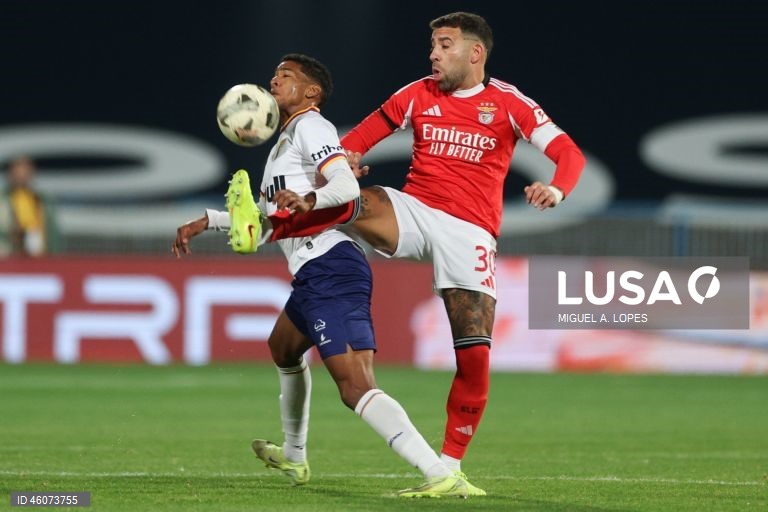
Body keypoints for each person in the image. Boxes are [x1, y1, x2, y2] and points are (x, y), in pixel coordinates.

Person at [264, 12, 587, 494]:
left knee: (473, 353)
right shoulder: (416, 94)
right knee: (354, 198)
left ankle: (449, 466)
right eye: (433, 45)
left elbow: (568, 154)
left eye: (444, 44)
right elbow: (355, 140)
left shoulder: (509, 104)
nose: (433, 54)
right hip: (414, 210)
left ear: (474, 53)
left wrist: (558, 190)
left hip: (471, 233)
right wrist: (344, 159)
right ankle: (274, 223)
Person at [172, 54, 474, 498]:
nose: (274, 79)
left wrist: (312, 199)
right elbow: (266, 226)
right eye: (274, 73)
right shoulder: (282, 147)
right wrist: (210, 221)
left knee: (355, 386)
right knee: (283, 349)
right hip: (311, 272)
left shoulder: (312, 126)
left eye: (286, 75)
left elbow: (346, 188)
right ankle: (294, 455)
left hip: (332, 266)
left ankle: (439, 473)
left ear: (311, 92)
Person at [0, 156, 60, 257]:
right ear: (9, 175)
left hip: (40, 256)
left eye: (25, 172)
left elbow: (53, 234)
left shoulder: (42, 200)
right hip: (9, 257)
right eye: (16, 173)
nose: (21, 177)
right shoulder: (3, 200)